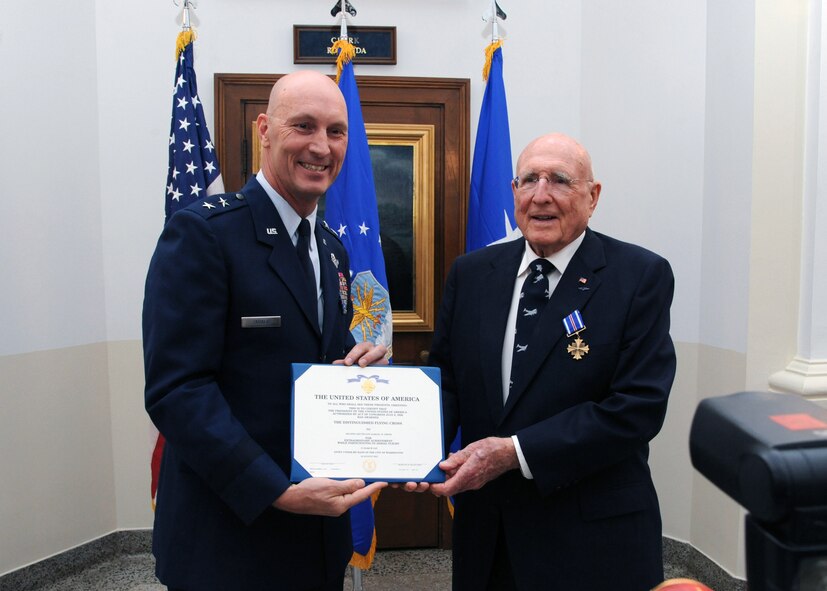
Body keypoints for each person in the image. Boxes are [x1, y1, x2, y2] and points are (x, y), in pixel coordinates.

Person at [143, 70, 387, 591]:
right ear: (264, 129)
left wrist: (358, 363)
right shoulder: (205, 234)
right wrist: (274, 490)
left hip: (316, 536)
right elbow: (178, 390)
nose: (321, 146)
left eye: (336, 131)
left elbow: (313, 351)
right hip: (228, 537)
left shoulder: (331, 249)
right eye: (304, 126)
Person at [428, 133, 676, 590]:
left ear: (592, 196)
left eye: (560, 180)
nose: (541, 195)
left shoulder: (639, 276)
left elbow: (636, 408)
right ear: (514, 192)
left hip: (590, 539)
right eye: (529, 180)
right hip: (489, 534)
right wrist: (406, 444)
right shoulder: (471, 274)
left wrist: (514, 453)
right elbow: (447, 383)